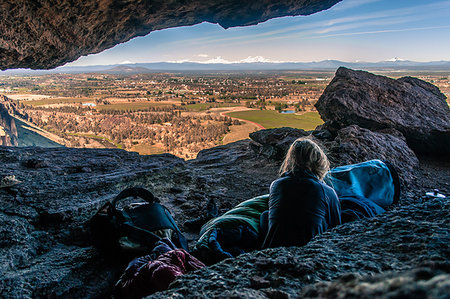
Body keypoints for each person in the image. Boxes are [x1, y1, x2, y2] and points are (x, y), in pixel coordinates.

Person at [261, 137, 341, 248]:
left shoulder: (277, 185)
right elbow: (337, 228)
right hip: (311, 250)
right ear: (319, 162)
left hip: (273, 248)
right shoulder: (327, 192)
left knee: (265, 216)